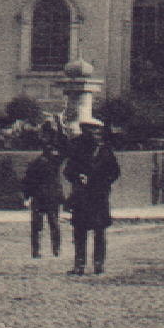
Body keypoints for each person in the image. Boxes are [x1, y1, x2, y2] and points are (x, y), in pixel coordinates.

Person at [62, 118, 120, 276]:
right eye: (88, 131)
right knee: (80, 231)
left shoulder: (105, 150)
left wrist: (101, 181)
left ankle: (98, 264)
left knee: (99, 232)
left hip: (99, 196)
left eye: (95, 131)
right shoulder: (77, 150)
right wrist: (77, 176)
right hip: (82, 196)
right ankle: (79, 264)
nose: (93, 134)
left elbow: (114, 172)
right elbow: (68, 171)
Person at [20, 142, 65, 258]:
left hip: (39, 198)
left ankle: (36, 251)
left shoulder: (35, 164)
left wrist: (27, 196)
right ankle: (56, 250)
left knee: (37, 226)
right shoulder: (54, 163)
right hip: (51, 198)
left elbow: (27, 182)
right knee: (54, 224)